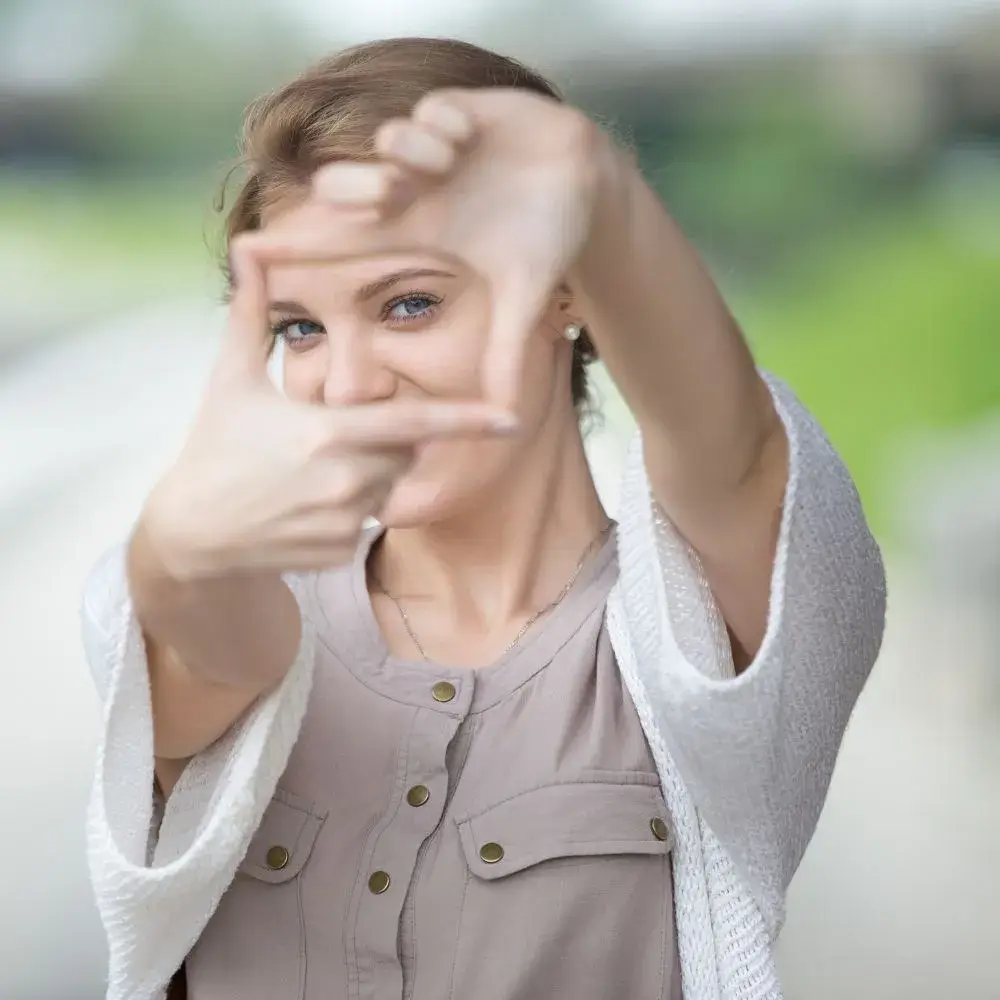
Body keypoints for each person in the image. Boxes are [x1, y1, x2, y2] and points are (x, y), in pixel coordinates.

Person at [81, 36, 886, 1000]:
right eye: (301, 327)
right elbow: (205, 635)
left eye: (410, 304)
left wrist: (595, 190)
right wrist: (172, 551)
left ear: (566, 291)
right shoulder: (256, 605)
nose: (348, 383)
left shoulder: (699, 637)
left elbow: (739, 454)